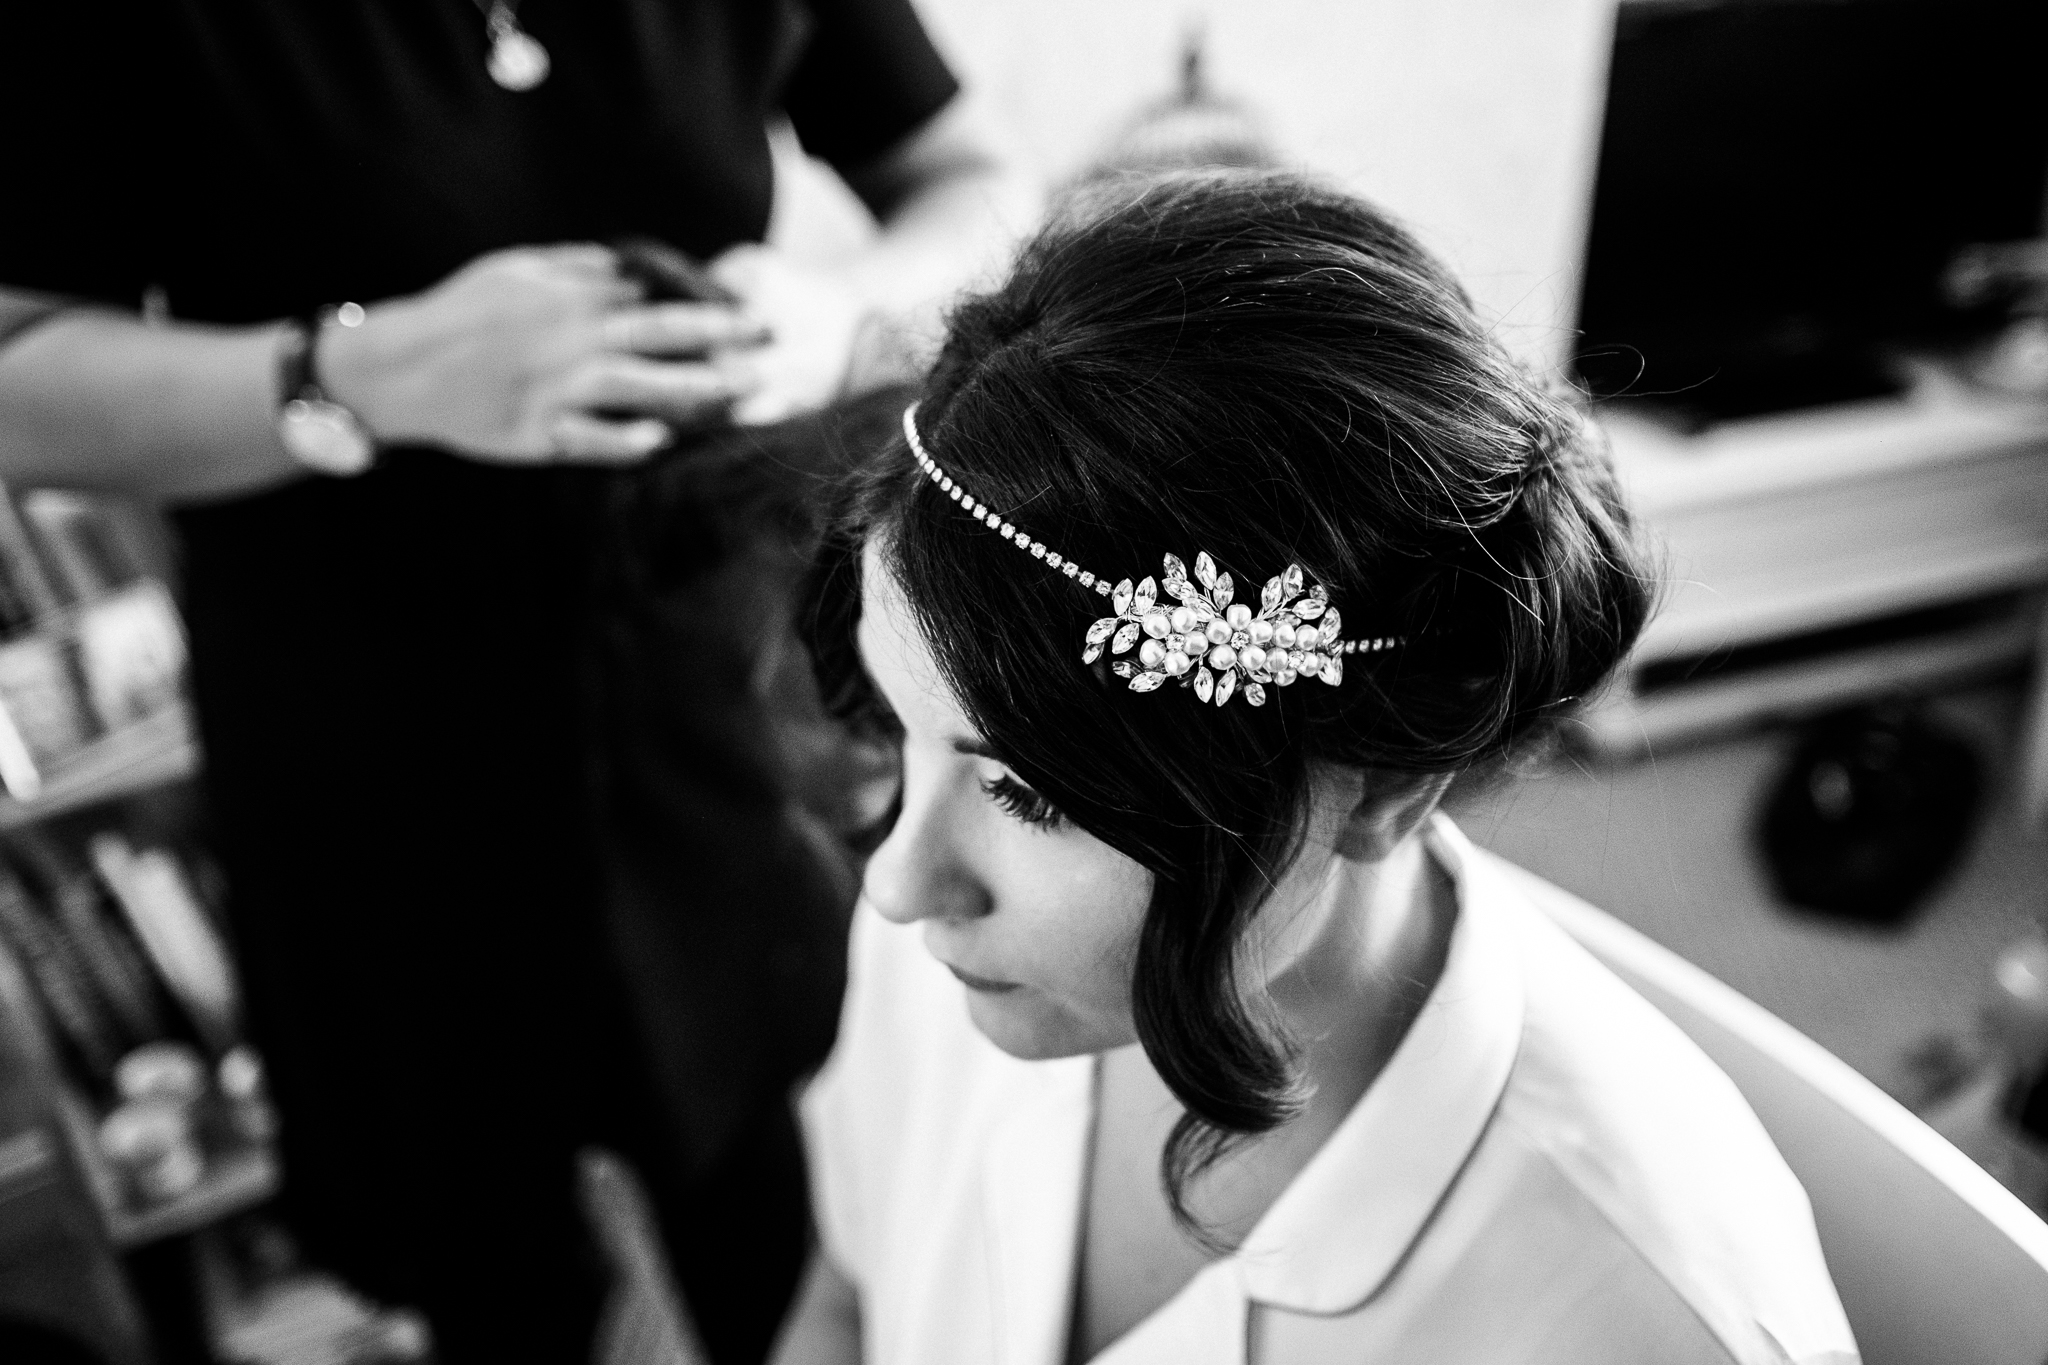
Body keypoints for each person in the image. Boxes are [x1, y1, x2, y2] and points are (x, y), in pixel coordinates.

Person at [0, 5, 1027, 1362]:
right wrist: (352, 378)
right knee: (490, 1278)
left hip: (730, 705)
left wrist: (846, 319)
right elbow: (18, 375)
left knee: (818, 1213)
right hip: (375, 760)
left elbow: (969, 177)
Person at [773, 171, 1861, 1364]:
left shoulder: (1638, 1321)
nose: (894, 883)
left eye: (1026, 791)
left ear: (1385, 784)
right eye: (900, 728)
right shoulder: (952, 958)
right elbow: (844, 1295)